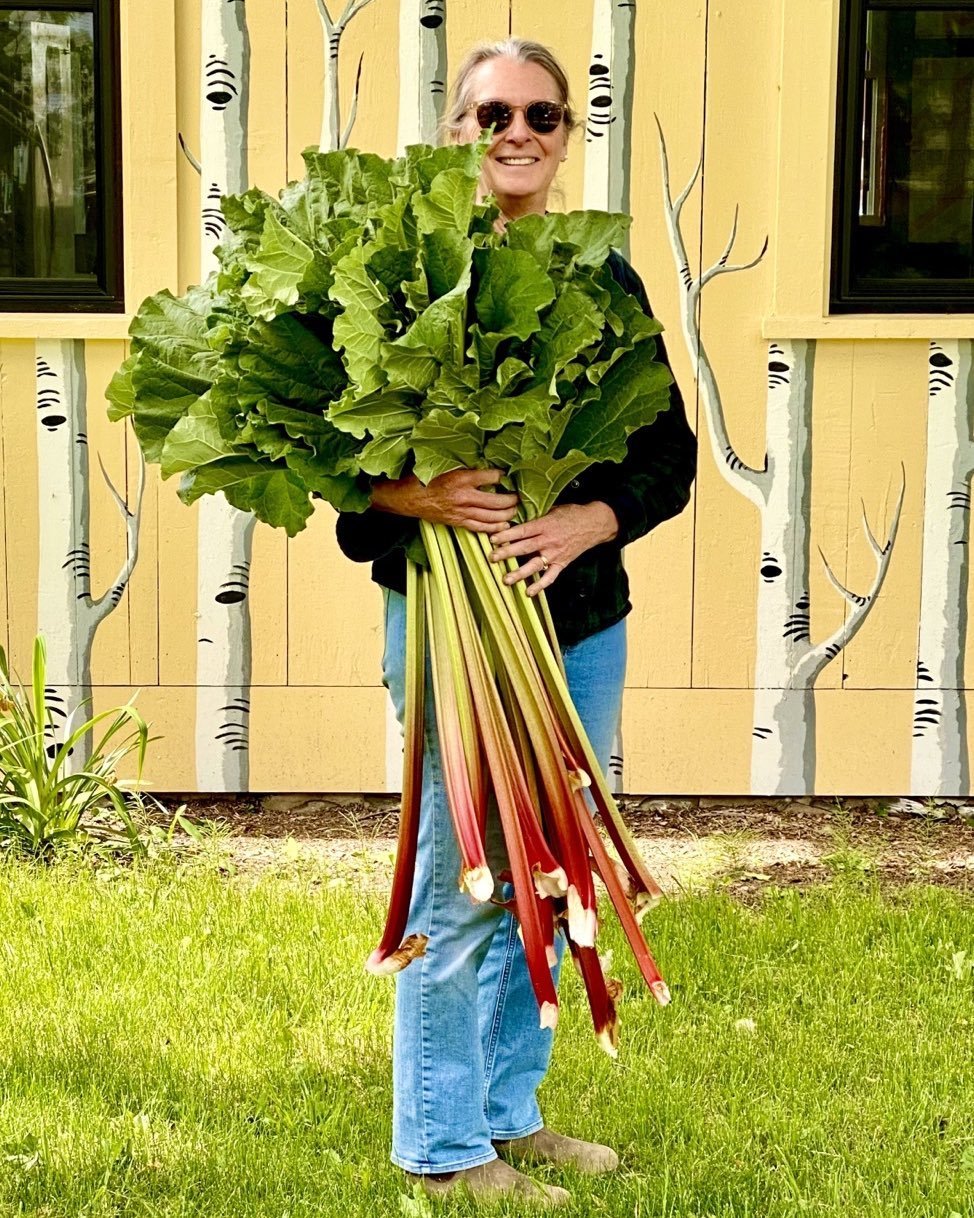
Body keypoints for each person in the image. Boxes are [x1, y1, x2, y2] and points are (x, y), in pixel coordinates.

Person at [336, 37, 697, 1207]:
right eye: (493, 113)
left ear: (564, 138)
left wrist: (589, 519)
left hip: (578, 628)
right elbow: (342, 495)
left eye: (542, 115)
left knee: (547, 872)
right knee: (462, 881)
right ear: (455, 130)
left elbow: (669, 457)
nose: (518, 133)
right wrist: (418, 497)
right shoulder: (398, 270)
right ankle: (440, 1148)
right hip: (451, 633)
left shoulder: (601, 277)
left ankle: (505, 1113)